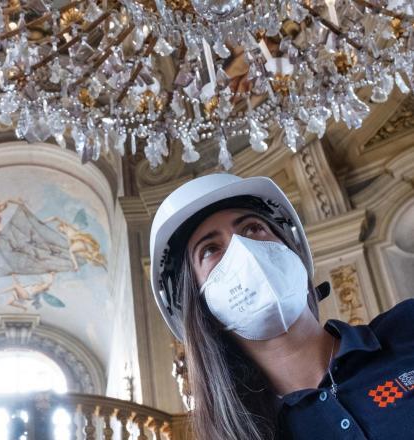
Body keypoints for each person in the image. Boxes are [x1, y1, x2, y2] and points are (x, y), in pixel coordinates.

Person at [149, 173, 414, 439]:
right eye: (210, 249)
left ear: (292, 247)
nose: (244, 250)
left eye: (252, 228)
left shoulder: (406, 328)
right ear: (199, 306)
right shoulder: (247, 432)